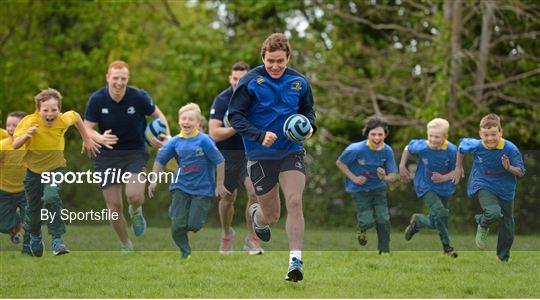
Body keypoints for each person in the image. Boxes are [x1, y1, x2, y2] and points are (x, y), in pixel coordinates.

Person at [228, 33, 316, 282]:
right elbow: (235, 116)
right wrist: (258, 135)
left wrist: (309, 127)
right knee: (272, 216)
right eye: (270, 61)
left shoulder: (299, 82)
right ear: (263, 58)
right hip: (260, 154)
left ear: (288, 57)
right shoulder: (250, 81)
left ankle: (295, 262)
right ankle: (258, 214)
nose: (275, 66)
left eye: (280, 61)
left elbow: (308, 111)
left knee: (295, 201)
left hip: (291, 150)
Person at [84, 60, 169, 253]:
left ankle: (136, 211)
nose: (119, 83)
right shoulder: (97, 99)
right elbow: (86, 128)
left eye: (123, 78)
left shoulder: (138, 97)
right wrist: (100, 137)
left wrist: (165, 137)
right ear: (108, 78)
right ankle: (125, 244)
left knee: (134, 196)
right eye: (115, 78)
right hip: (106, 155)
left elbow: (160, 117)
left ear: (128, 79)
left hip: (135, 153)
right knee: (114, 206)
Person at [13, 88, 99, 256]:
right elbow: (15, 144)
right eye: (45, 110)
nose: (50, 114)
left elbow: (75, 116)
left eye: (54, 109)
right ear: (38, 110)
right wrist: (27, 136)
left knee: (51, 198)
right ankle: (35, 235)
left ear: (59, 109)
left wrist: (87, 139)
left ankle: (57, 240)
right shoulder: (30, 122)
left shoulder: (62, 120)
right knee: (33, 208)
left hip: (55, 168)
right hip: (33, 171)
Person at [148, 103, 228, 259]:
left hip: (203, 189)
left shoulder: (205, 141)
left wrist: (219, 185)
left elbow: (220, 161)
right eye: (183, 118)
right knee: (177, 226)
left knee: (194, 225)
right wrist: (153, 181)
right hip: (181, 186)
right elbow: (160, 160)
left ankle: (177, 213)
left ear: (198, 123)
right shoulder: (174, 142)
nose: (186, 122)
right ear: (179, 121)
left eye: (190, 119)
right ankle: (185, 252)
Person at [452, 113, 525, 262]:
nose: (490, 138)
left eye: (493, 134)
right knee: (493, 213)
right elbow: (461, 147)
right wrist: (458, 168)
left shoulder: (510, 149)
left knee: (508, 222)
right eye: (486, 135)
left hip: (505, 188)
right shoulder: (476, 145)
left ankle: (502, 257)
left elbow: (521, 171)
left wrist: (509, 167)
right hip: (483, 183)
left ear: (500, 132)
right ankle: (483, 223)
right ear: (480, 134)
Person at [209, 61, 263, 255]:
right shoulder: (222, 100)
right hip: (227, 155)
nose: (238, 83)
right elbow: (214, 133)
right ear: (229, 79)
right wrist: (237, 127)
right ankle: (226, 234)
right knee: (227, 197)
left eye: (242, 79)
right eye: (234, 79)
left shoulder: (257, 98)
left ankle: (252, 238)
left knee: (254, 191)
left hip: (251, 153)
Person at [336, 116, 397, 255]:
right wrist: (354, 178)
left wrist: (385, 177)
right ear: (367, 134)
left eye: (380, 134)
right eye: (373, 134)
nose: (377, 137)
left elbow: (393, 175)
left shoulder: (387, 151)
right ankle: (362, 229)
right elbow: (340, 162)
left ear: (385, 134)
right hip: (359, 190)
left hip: (378, 189)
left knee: (383, 219)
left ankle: (384, 250)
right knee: (367, 221)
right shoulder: (355, 149)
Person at [399, 118, 458, 257]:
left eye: (436, 137)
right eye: (430, 135)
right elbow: (408, 147)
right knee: (441, 213)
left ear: (445, 137)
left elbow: (458, 172)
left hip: (445, 188)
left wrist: (444, 177)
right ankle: (447, 248)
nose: (432, 140)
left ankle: (418, 222)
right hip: (425, 185)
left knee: (435, 220)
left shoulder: (452, 151)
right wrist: (402, 166)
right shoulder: (422, 146)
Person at [0, 111, 28, 249]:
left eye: (15, 125)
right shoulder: (3, 145)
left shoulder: (30, 144)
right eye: (8, 125)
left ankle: (30, 247)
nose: (10, 128)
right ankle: (14, 224)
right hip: (4, 191)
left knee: (31, 219)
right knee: (3, 226)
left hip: (25, 190)